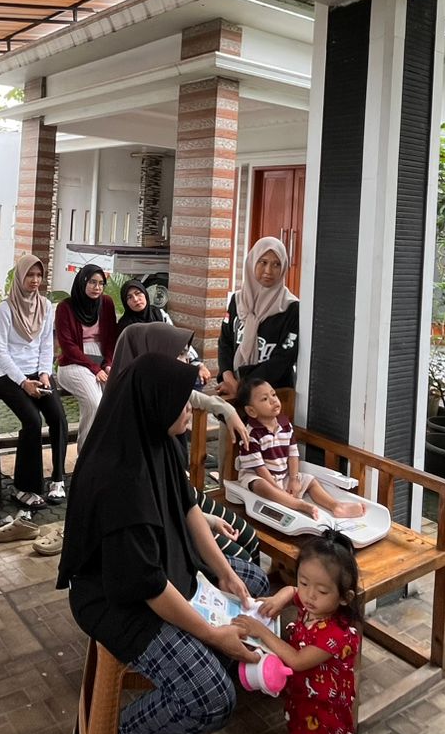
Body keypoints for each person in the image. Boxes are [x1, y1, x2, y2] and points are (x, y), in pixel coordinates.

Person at [57, 352, 269, 734]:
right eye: (181, 400)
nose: (190, 407)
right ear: (154, 403)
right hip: (121, 601)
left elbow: (188, 508)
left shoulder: (160, 437)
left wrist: (225, 573)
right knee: (213, 698)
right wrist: (212, 635)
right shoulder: (119, 479)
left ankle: (203, 663)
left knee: (254, 583)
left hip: (162, 568)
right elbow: (149, 586)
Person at [111, 322, 260, 566]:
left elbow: (195, 397)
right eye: (179, 354)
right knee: (240, 561)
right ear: (151, 356)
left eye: (185, 353)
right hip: (166, 513)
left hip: (179, 493)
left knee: (249, 538)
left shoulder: (163, 391)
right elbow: (151, 507)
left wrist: (227, 410)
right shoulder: (126, 420)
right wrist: (203, 521)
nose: (186, 361)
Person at [233, 532, 362, 734]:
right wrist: (280, 598)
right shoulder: (313, 604)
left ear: (344, 597)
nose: (309, 595)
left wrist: (261, 632)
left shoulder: (336, 634)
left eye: (322, 591)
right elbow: (292, 592)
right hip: (304, 708)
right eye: (304, 582)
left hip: (328, 723)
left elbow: (297, 660)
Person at [0, 253, 69, 509]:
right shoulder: (5, 309)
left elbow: (47, 344)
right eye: (30, 275)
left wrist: (45, 373)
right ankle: (24, 489)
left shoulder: (46, 306)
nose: (35, 280)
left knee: (58, 418)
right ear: (20, 277)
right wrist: (23, 382)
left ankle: (57, 480)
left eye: (39, 275)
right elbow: (1, 353)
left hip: (38, 373)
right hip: (7, 375)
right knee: (33, 421)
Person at [234, 378, 362, 520]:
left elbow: (293, 454)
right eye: (264, 399)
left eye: (273, 394)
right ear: (251, 411)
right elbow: (260, 469)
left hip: (283, 476)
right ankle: (300, 505)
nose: (273, 400)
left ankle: (336, 506)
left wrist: (294, 479)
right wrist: (277, 489)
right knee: (261, 486)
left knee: (311, 481)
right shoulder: (250, 434)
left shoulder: (285, 425)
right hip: (259, 476)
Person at [218, 237, 299, 397]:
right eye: (263, 262)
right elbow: (225, 342)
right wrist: (228, 377)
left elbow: (283, 358)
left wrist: (243, 387)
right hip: (233, 389)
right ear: (252, 262)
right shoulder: (237, 300)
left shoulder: (291, 307)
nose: (268, 270)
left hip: (271, 396)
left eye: (276, 264)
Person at [54, 263, 119, 447]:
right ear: (82, 281)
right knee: (94, 402)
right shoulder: (65, 307)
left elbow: (111, 339)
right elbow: (68, 346)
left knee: (113, 401)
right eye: (92, 282)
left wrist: (108, 363)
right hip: (74, 362)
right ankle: (86, 454)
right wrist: (95, 368)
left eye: (100, 283)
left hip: (101, 361)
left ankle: (105, 453)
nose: (96, 287)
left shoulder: (106, 303)